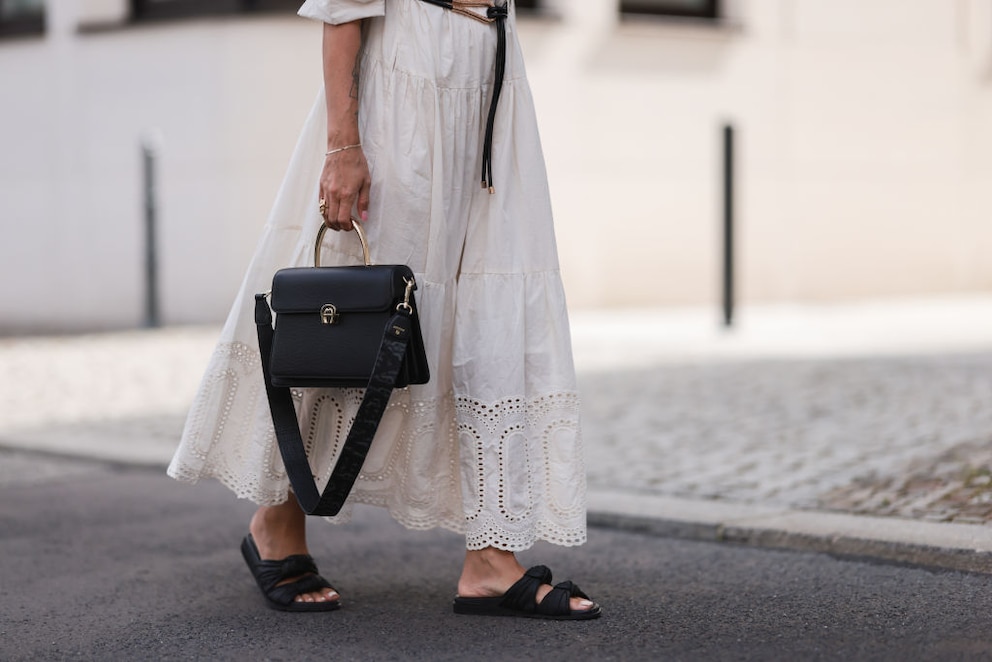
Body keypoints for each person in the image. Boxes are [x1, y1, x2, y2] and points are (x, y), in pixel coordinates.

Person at [168, 0, 599, 619]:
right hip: (403, 77)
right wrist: (343, 145)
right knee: (356, 309)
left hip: (489, 78)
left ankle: (490, 559)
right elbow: (342, 10)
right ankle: (278, 520)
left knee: (493, 307)